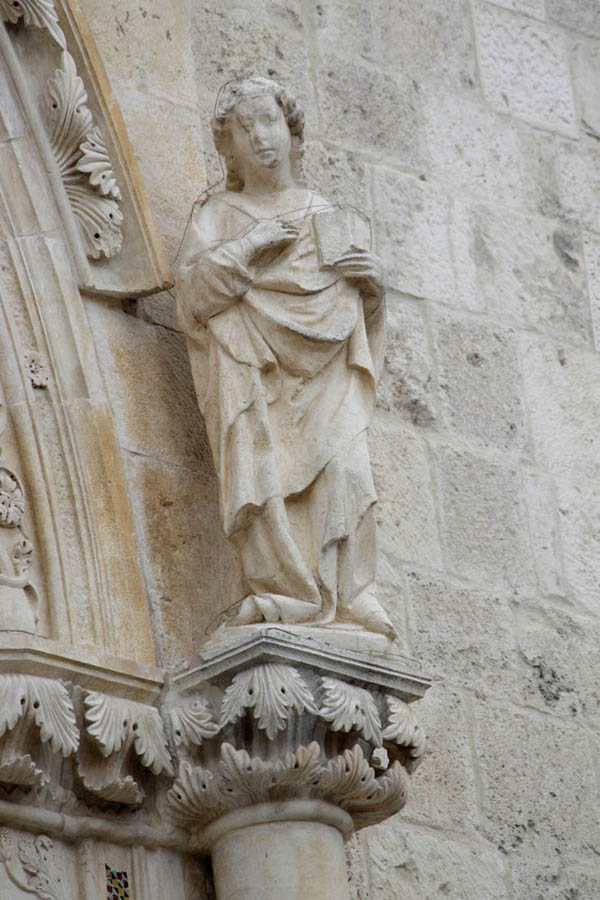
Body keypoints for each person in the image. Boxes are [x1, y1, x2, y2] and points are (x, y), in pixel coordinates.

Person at [177, 77, 394, 637]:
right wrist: (250, 244)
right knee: (263, 471)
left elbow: (354, 321)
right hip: (251, 369)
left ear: (291, 130)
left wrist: (373, 293)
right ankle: (288, 592)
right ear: (228, 147)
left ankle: (353, 593)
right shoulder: (217, 215)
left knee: (346, 465)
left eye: (268, 121)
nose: (260, 137)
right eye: (244, 128)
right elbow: (192, 296)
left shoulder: (329, 215)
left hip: (328, 373)